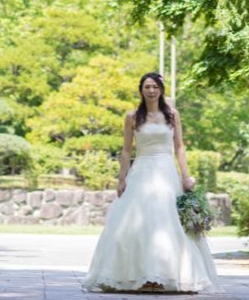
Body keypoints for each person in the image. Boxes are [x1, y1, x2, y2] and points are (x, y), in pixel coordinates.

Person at [82, 72, 222, 294]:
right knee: (137, 222)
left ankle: (165, 275)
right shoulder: (132, 116)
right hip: (141, 172)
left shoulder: (172, 115)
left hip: (166, 172)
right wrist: (122, 179)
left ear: (161, 89)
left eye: (155, 86)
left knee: (166, 222)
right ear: (141, 90)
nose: (151, 90)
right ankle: (139, 275)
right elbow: (127, 150)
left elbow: (179, 147)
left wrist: (186, 177)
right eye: (147, 86)